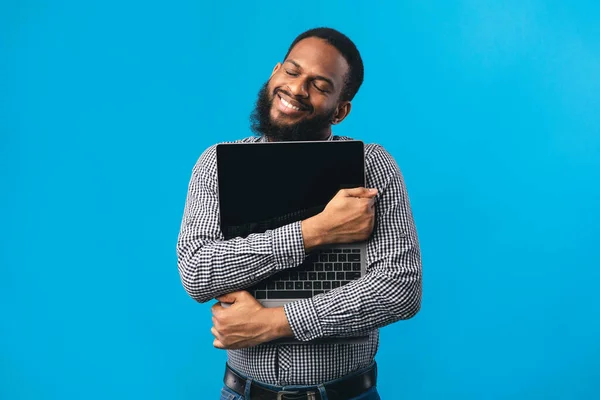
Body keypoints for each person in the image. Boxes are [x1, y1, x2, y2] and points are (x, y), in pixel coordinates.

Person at [176, 27, 422, 400]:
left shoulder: (372, 167)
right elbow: (198, 272)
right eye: (291, 72)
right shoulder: (217, 164)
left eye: (320, 85)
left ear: (340, 109)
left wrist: (275, 323)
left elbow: (399, 288)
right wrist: (317, 231)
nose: (296, 89)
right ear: (275, 71)